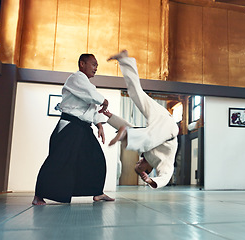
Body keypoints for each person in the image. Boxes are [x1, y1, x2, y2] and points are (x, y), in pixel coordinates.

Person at [32, 54, 115, 205]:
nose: (96, 68)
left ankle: (97, 193)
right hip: (70, 125)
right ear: (82, 64)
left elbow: (91, 107)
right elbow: (92, 97)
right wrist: (105, 100)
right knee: (58, 160)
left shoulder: (88, 85)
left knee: (96, 159)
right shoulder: (75, 78)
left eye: (97, 66)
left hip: (83, 127)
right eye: (93, 64)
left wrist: (99, 125)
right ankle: (38, 195)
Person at [105, 50, 179, 189]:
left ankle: (125, 60)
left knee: (136, 94)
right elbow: (166, 177)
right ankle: (125, 134)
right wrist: (151, 181)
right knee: (147, 140)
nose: (138, 163)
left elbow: (133, 129)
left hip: (160, 118)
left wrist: (111, 117)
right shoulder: (162, 163)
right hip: (169, 130)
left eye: (136, 166)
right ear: (148, 170)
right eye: (140, 167)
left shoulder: (142, 150)